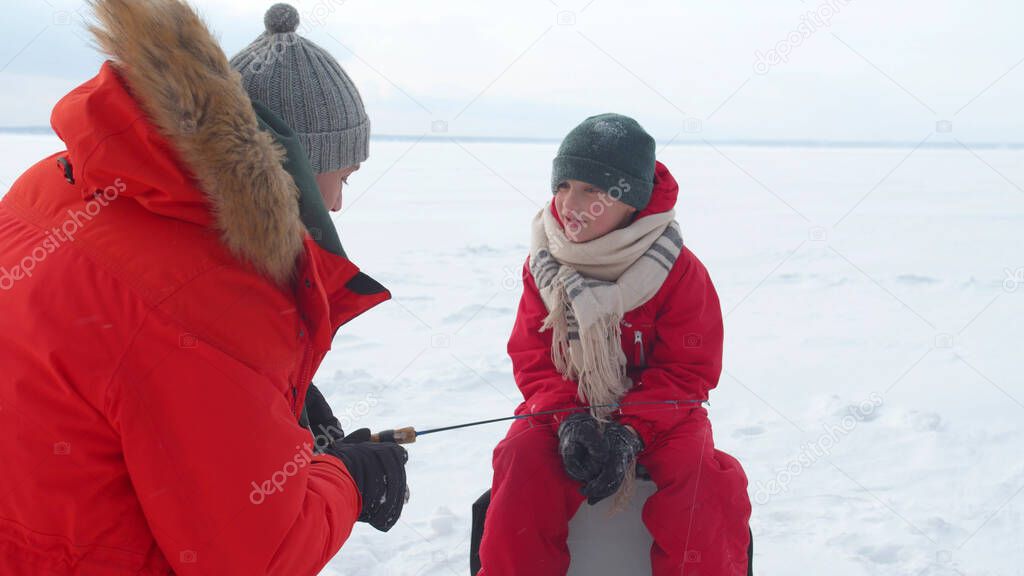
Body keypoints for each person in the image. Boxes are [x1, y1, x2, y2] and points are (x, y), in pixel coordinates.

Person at [0, 1, 406, 574]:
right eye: (342, 175)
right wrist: (351, 479)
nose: (338, 202)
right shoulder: (212, 298)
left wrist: (265, 395)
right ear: (292, 169)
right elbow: (260, 555)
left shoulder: (57, 184)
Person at [478, 114, 752, 575]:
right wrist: (568, 419)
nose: (570, 203)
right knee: (521, 456)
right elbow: (534, 361)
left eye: (592, 190)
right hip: (566, 407)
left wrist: (632, 429)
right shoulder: (543, 267)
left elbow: (689, 372)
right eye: (564, 185)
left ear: (631, 200)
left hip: (664, 414)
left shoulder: (679, 270)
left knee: (704, 479)